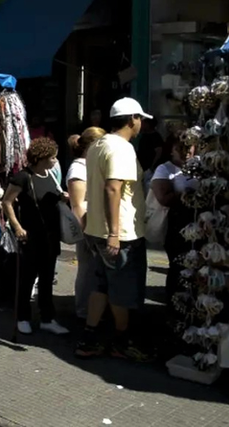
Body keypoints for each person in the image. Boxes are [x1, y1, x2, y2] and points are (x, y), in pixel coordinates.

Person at [75, 97, 153, 362]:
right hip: (121, 234)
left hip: (97, 229)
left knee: (102, 285)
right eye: (140, 119)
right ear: (132, 119)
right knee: (122, 290)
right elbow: (112, 188)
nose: (141, 124)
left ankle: (90, 337)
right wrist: (114, 234)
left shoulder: (98, 145)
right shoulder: (122, 148)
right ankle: (122, 341)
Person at [2, 138, 70, 336]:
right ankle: (23, 317)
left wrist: (62, 197)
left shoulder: (51, 175)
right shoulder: (23, 177)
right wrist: (17, 227)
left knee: (47, 278)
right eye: (52, 157)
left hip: (51, 235)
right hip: (31, 236)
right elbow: (7, 202)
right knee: (28, 278)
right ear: (41, 158)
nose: (55, 161)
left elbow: (53, 198)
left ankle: (47, 318)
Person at [67, 126, 107, 319]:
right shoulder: (78, 169)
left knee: (96, 270)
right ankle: (83, 310)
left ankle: (93, 309)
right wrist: (86, 232)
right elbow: (77, 206)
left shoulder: (92, 165)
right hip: (87, 228)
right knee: (88, 270)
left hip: (97, 226)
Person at [150, 133, 195, 304]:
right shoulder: (165, 169)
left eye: (189, 147)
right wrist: (186, 194)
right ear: (171, 150)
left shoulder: (200, 165)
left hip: (199, 221)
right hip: (177, 223)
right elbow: (163, 198)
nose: (185, 152)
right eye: (180, 148)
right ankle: (175, 304)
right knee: (178, 265)